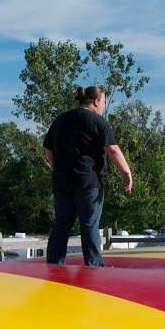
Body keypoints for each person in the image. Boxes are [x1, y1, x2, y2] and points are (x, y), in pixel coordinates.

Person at [42, 85, 134, 267]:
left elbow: (48, 149)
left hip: (62, 182)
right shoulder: (97, 121)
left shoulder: (60, 120)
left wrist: (56, 168)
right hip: (88, 182)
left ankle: (53, 265)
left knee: (61, 224)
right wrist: (126, 172)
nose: (104, 106)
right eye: (104, 102)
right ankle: (93, 266)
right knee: (89, 224)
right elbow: (112, 149)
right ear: (96, 101)